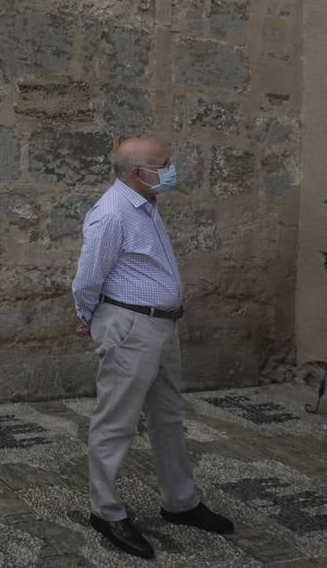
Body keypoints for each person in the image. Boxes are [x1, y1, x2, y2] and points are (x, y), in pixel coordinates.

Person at [71, 137, 233, 560]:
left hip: (161, 327)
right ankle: (105, 511)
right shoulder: (112, 213)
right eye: (164, 165)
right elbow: (87, 278)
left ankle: (181, 502)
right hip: (130, 327)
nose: (171, 170)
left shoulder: (146, 205)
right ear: (138, 173)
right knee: (116, 422)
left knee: (168, 418)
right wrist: (89, 317)